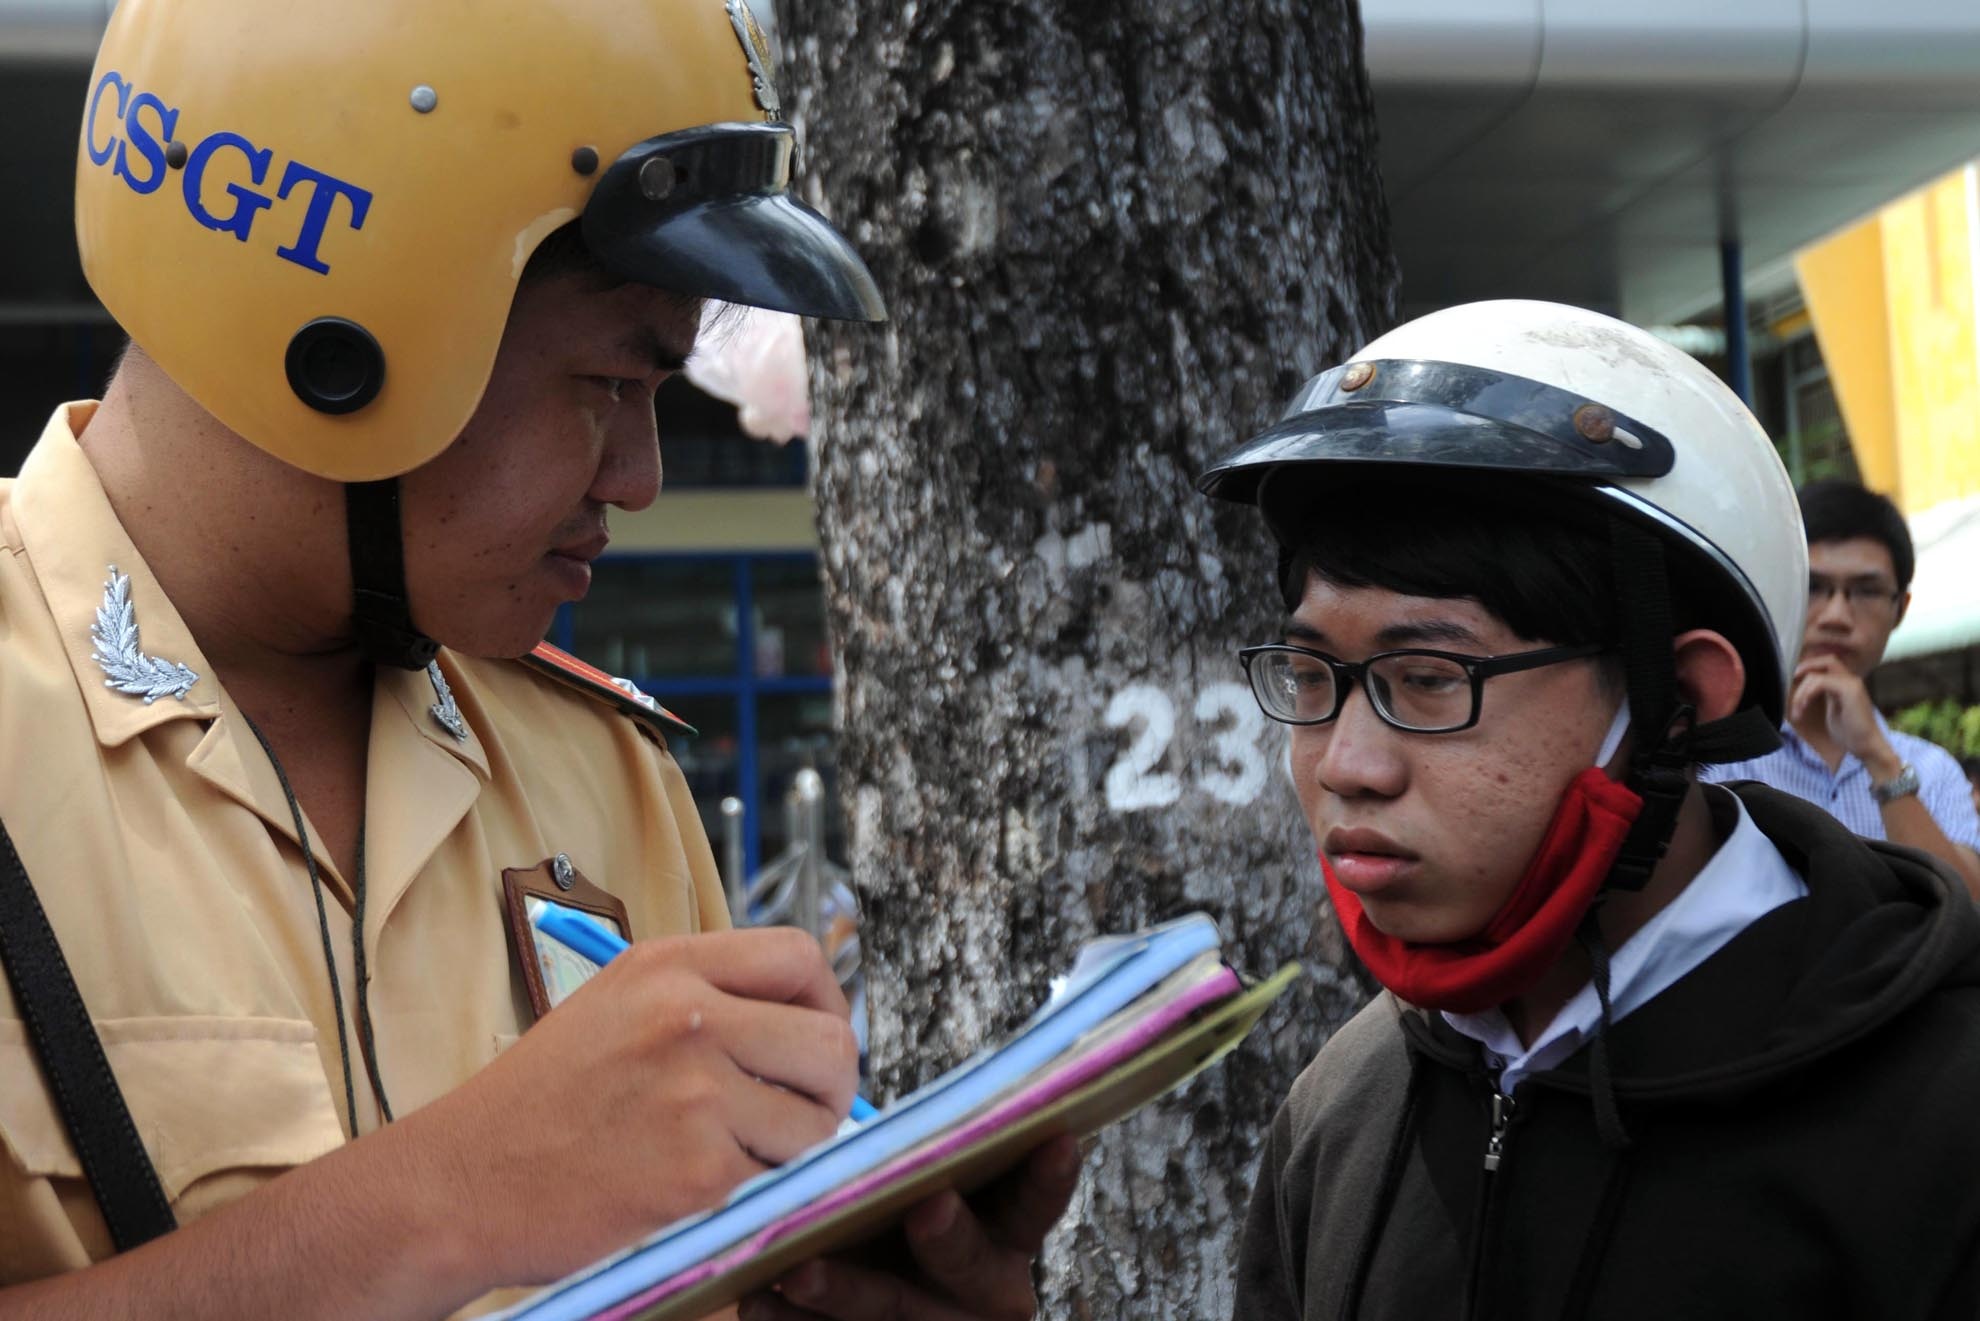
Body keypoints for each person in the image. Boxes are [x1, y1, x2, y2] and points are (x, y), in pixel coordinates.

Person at [0, 4, 1074, 1318]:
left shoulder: (602, 778)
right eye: (610, 385)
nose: (641, 477)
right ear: (335, 330)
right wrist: (446, 1203)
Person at [1199, 300, 1980, 1319]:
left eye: (1430, 678)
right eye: (1310, 673)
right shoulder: (1345, 1102)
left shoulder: (1938, 1108)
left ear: (1679, 697)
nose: (1345, 764)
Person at [1702, 479, 1980, 896]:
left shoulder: (1933, 771)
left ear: (1899, 609)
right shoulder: (1721, 753)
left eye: (1866, 591)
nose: (1836, 615)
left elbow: (1964, 911)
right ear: (1780, 589)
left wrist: (1879, 759)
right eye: (1814, 587)